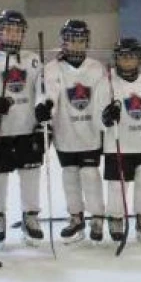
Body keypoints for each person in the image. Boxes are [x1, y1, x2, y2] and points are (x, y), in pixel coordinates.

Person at [0, 10, 48, 247]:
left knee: (31, 175)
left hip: (26, 128)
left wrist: (42, 113)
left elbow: (41, 91)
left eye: (17, 30)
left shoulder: (33, 59)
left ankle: (31, 216)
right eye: (8, 29)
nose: (13, 34)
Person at [42, 20, 108, 243]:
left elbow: (101, 99)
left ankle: (97, 216)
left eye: (80, 40)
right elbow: (49, 94)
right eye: (71, 40)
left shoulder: (97, 68)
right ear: (64, 41)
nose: (76, 44)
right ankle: (75, 216)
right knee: (69, 175)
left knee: (90, 174)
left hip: (90, 133)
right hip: (65, 133)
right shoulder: (52, 68)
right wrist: (45, 107)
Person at [98, 38, 141, 243]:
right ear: (116, 59)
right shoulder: (107, 83)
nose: (127, 61)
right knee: (117, 185)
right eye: (123, 57)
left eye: (132, 57)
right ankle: (116, 217)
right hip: (116, 145)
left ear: (139, 59)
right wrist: (106, 118)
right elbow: (98, 117)